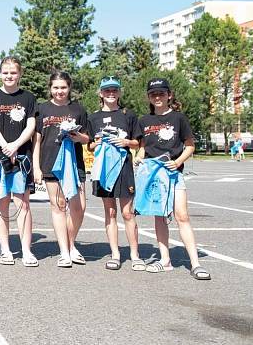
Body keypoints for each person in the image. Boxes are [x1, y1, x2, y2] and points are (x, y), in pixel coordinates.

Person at [136, 78, 211, 280]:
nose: (157, 97)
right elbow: (143, 147)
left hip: (173, 173)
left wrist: (177, 162)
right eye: (153, 94)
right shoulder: (144, 121)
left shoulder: (179, 118)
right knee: (159, 216)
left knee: (182, 216)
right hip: (153, 175)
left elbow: (190, 145)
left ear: (169, 95)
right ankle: (165, 260)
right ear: (149, 97)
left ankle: (195, 263)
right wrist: (138, 159)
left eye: (161, 93)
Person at [0, 57, 37, 266]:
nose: (9, 76)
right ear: (0, 73)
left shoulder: (28, 98)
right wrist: (6, 145)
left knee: (23, 204)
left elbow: (30, 125)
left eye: (13, 72)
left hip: (22, 157)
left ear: (19, 74)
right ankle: (5, 250)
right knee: (1, 203)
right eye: (5, 72)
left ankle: (26, 250)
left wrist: (16, 145)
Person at [33, 71, 90, 268]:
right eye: (56, 87)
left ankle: (71, 243)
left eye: (63, 87)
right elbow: (37, 140)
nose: (60, 91)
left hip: (74, 165)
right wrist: (36, 167)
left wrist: (77, 136)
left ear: (69, 88)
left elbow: (87, 139)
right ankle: (64, 252)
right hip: (50, 163)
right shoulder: (42, 109)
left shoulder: (78, 109)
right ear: (50, 88)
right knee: (58, 207)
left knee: (78, 207)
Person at [87, 76, 143, 271]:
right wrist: (98, 142)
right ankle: (115, 254)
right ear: (101, 93)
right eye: (107, 90)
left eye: (114, 90)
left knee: (127, 213)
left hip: (124, 167)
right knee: (110, 212)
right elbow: (90, 146)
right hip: (104, 169)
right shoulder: (93, 117)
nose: (111, 93)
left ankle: (135, 254)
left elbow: (138, 142)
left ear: (119, 92)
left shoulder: (128, 115)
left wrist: (126, 142)